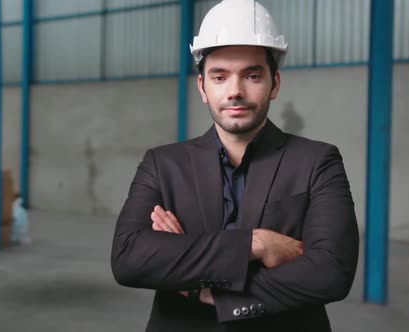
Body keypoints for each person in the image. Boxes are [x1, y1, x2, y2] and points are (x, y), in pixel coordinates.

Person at [111, 0, 359, 331]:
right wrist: (254, 244)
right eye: (219, 76)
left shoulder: (317, 162)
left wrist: (198, 279)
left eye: (252, 75)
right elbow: (129, 258)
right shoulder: (163, 164)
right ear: (202, 87)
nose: (235, 91)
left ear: (275, 83)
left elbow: (330, 272)